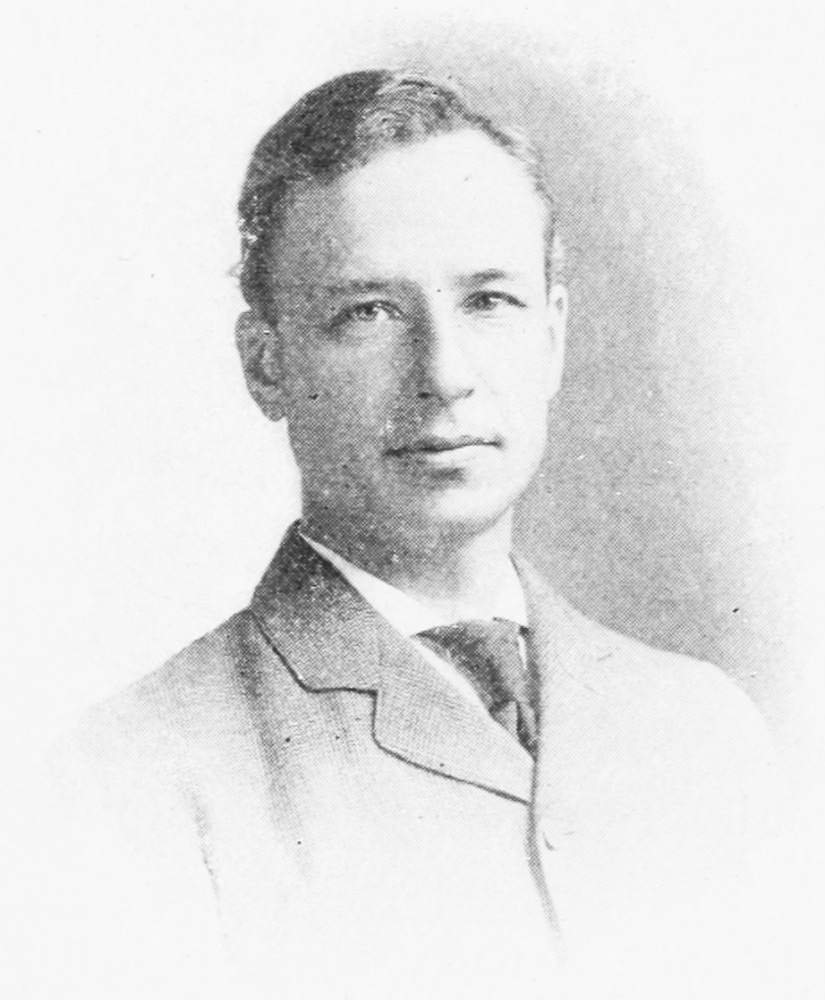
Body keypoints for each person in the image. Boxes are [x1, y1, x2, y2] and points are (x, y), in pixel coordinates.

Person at [55, 70, 775, 999]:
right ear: (267, 365)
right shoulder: (130, 777)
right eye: (370, 313)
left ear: (553, 338)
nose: (444, 374)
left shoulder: (704, 730)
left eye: (488, 301)